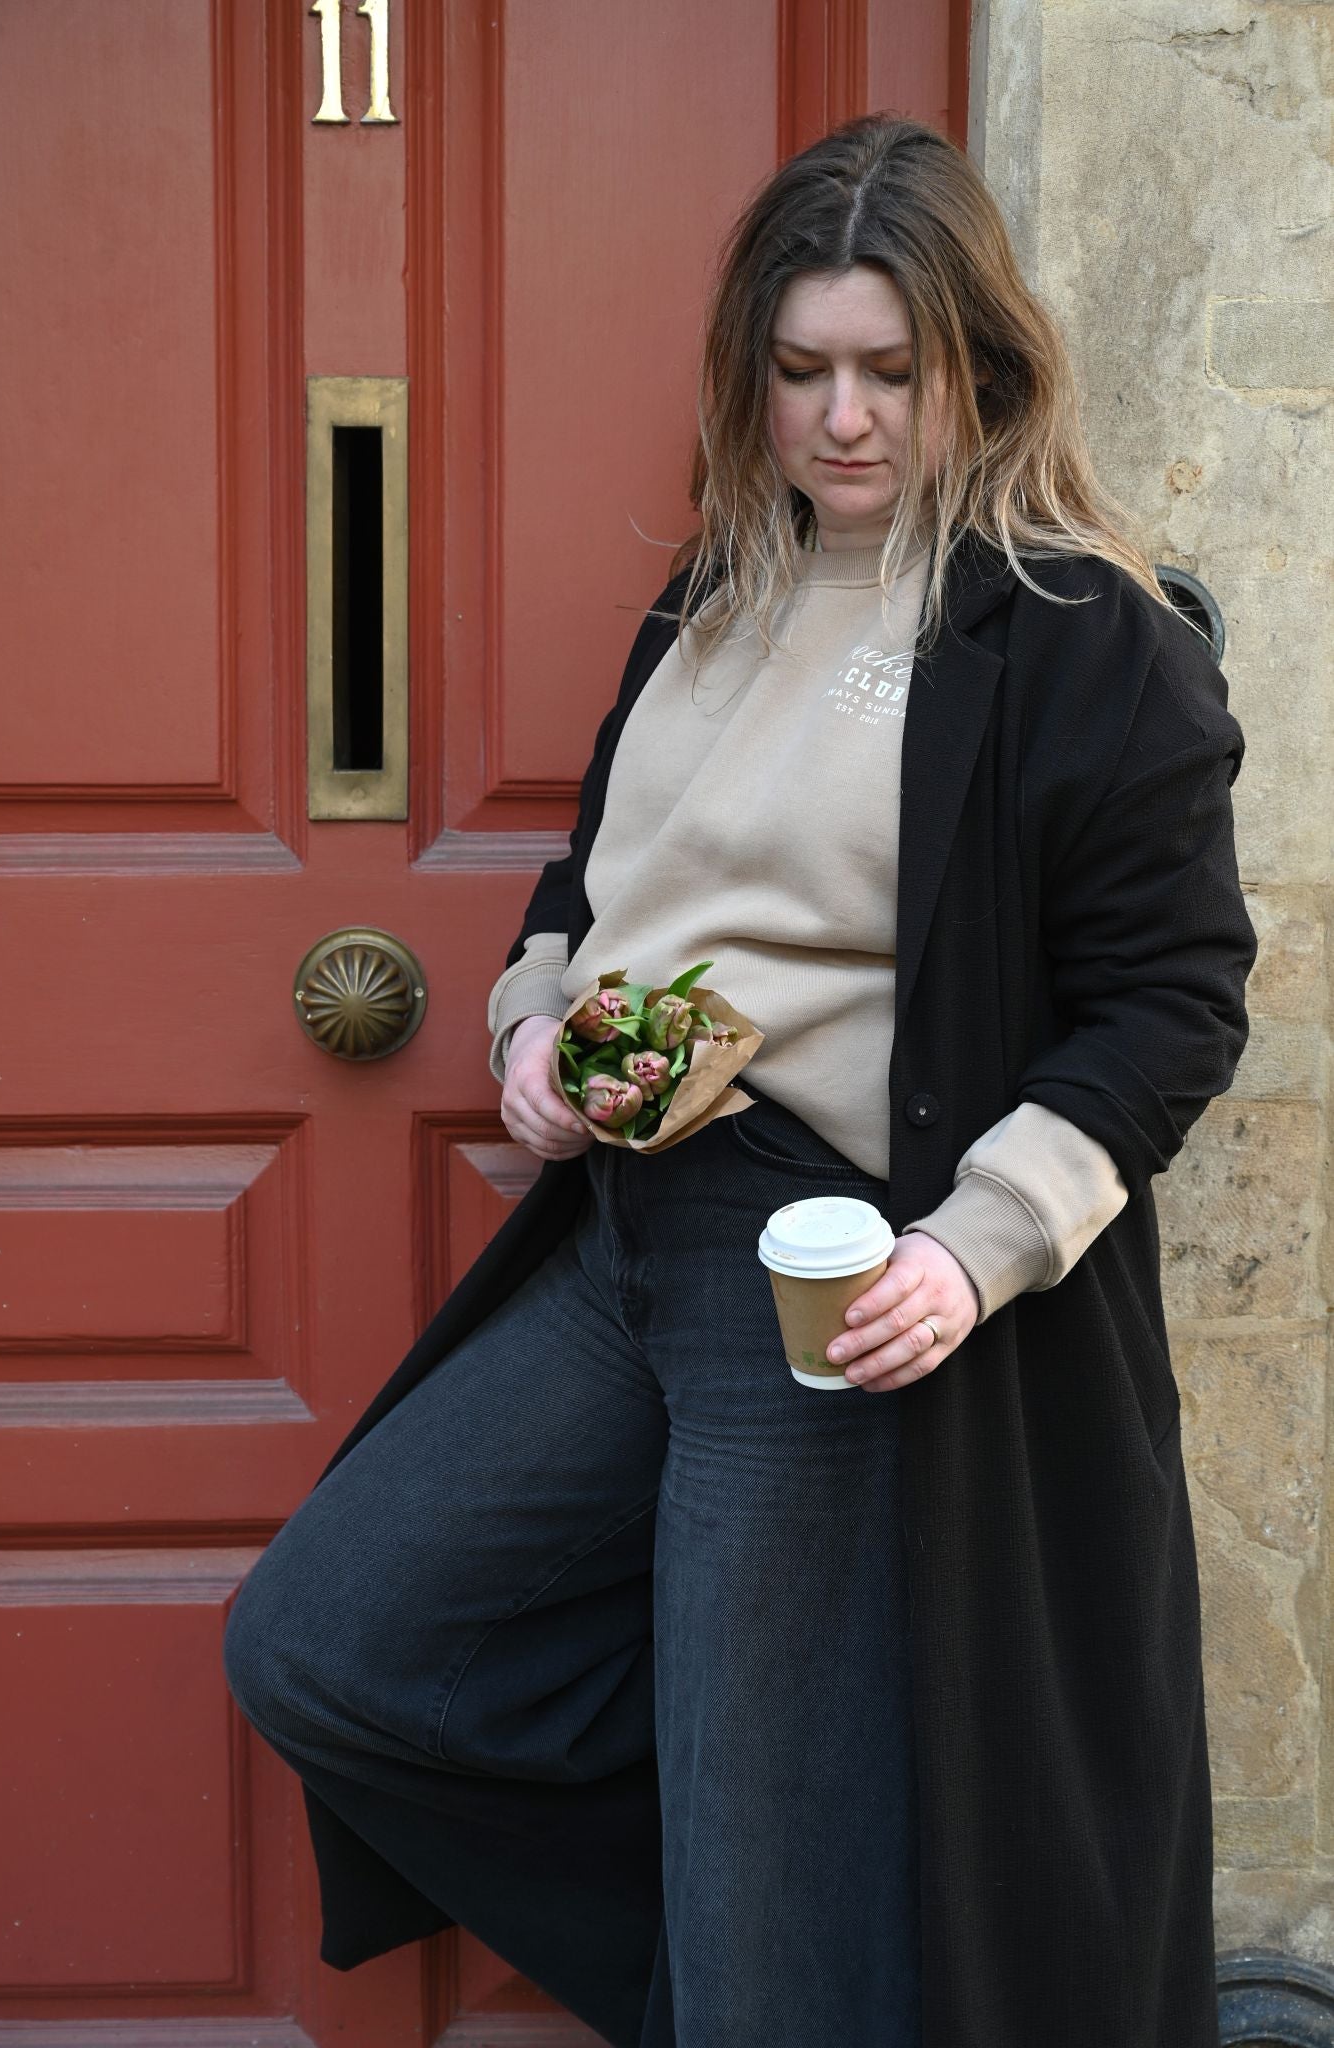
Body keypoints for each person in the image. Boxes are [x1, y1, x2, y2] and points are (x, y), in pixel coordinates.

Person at [223, 113, 1257, 2048]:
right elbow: (597, 868)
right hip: (625, 1237)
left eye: (892, 373)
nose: (843, 422)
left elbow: (1174, 1001)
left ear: (983, 367)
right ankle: (774, 1943)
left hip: (824, 1279)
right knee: (332, 1644)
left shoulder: (1077, 632)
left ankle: (792, 1950)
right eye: (801, 374)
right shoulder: (721, 586)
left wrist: (970, 1250)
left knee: (779, 1888)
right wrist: (534, 1028)